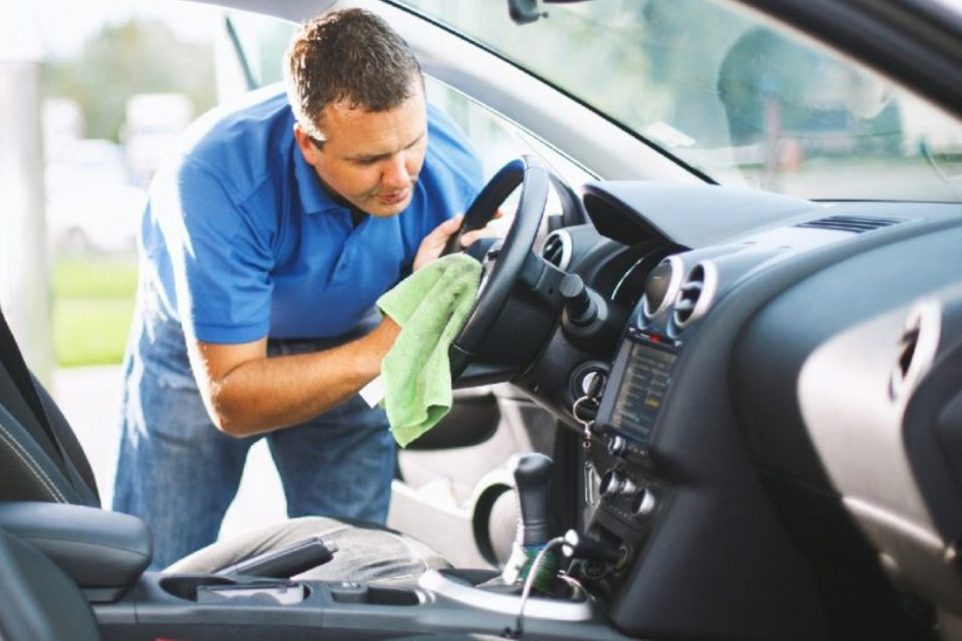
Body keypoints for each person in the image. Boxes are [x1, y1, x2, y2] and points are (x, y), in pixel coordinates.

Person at [113, 8, 485, 570]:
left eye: (411, 142)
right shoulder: (214, 178)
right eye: (368, 160)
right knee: (155, 573)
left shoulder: (453, 173)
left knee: (355, 573)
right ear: (308, 144)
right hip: (204, 356)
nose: (400, 177)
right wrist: (388, 345)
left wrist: (462, 273)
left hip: (352, 330)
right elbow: (233, 400)